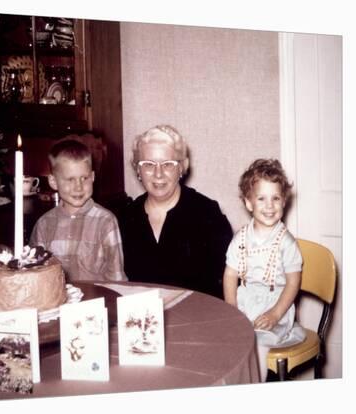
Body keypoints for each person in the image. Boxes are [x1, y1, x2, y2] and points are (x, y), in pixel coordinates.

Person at [119, 125, 232, 297]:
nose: (158, 174)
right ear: (137, 169)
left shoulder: (207, 215)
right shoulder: (125, 218)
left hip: (197, 318)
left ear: (181, 167)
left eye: (168, 164)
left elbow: (226, 285)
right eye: (148, 164)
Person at [223, 158, 306, 382]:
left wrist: (275, 313)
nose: (269, 206)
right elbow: (230, 275)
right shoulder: (240, 238)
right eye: (262, 198)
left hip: (275, 306)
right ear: (249, 203)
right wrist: (232, 308)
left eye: (276, 198)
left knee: (257, 343)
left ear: (284, 202)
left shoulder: (286, 242)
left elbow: (293, 283)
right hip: (244, 303)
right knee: (225, 341)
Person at [30, 139, 126, 282]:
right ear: (53, 182)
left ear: (93, 177)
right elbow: (35, 274)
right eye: (70, 180)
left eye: (84, 178)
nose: (79, 187)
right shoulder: (44, 224)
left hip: (97, 301)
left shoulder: (106, 221)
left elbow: (116, 276)